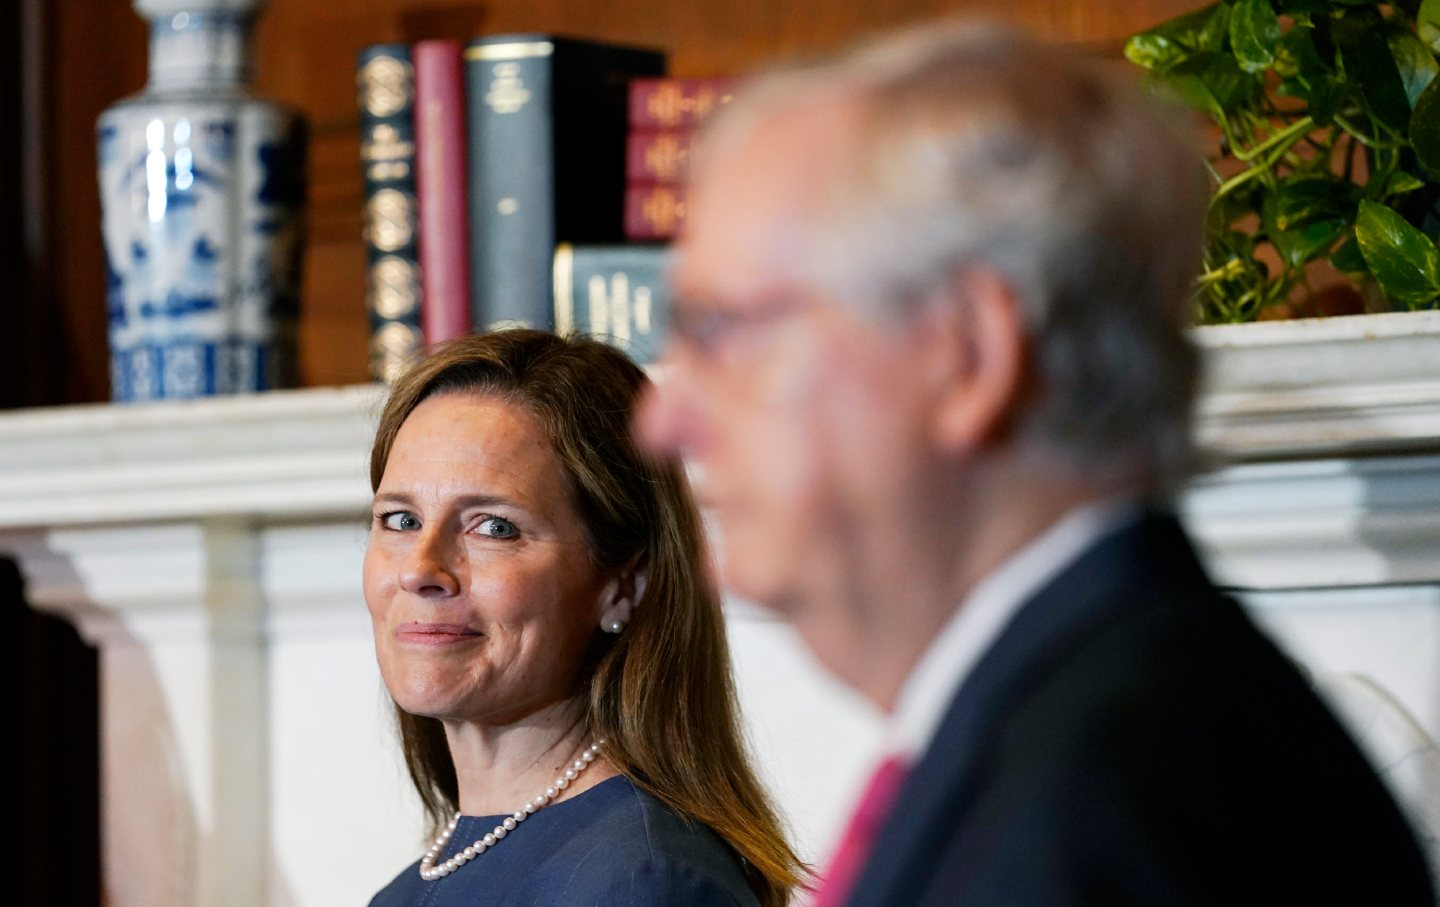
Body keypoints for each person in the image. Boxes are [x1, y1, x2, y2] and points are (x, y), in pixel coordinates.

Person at [634, 20, 1437, 906]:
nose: (663, 417)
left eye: (722, 330)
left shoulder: (1122, 789)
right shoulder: (1078, 720)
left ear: (966, 355)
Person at [363, 330, 804, 906]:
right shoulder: (406, 893)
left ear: (624, 585)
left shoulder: (642, 883)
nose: (421, 569)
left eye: (494, 526)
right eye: (400, 520)